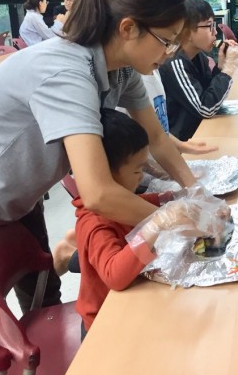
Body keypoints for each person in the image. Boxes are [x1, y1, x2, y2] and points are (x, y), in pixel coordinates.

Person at [0, 0, 204, 324]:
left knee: (44, 298)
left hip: (19, 194)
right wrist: (172, 221)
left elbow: (157, 140)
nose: (170, 53)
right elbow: (97, 194)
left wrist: (198, 196)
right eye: (166, 41)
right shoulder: (67, 72)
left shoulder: (123, 69)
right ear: (129, 28)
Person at [73, 108, 222, 336]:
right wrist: (157, 223)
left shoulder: (121, 200)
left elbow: (148, 201)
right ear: (106, 175)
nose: (142, 177)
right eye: (137, 171)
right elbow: (115, 276)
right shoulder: (95, 223)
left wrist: (182, 199)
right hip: (105, 323)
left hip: (136, 298)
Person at [160, 0, 238, 141]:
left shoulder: (199, 57)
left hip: (199, 132)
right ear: (186, 32)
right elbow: (205, 108)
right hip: (184, 142)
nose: (215, 32)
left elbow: (207, 93)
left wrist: (220, 67)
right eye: (209, 26)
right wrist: (228, 70)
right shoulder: (175, 63)